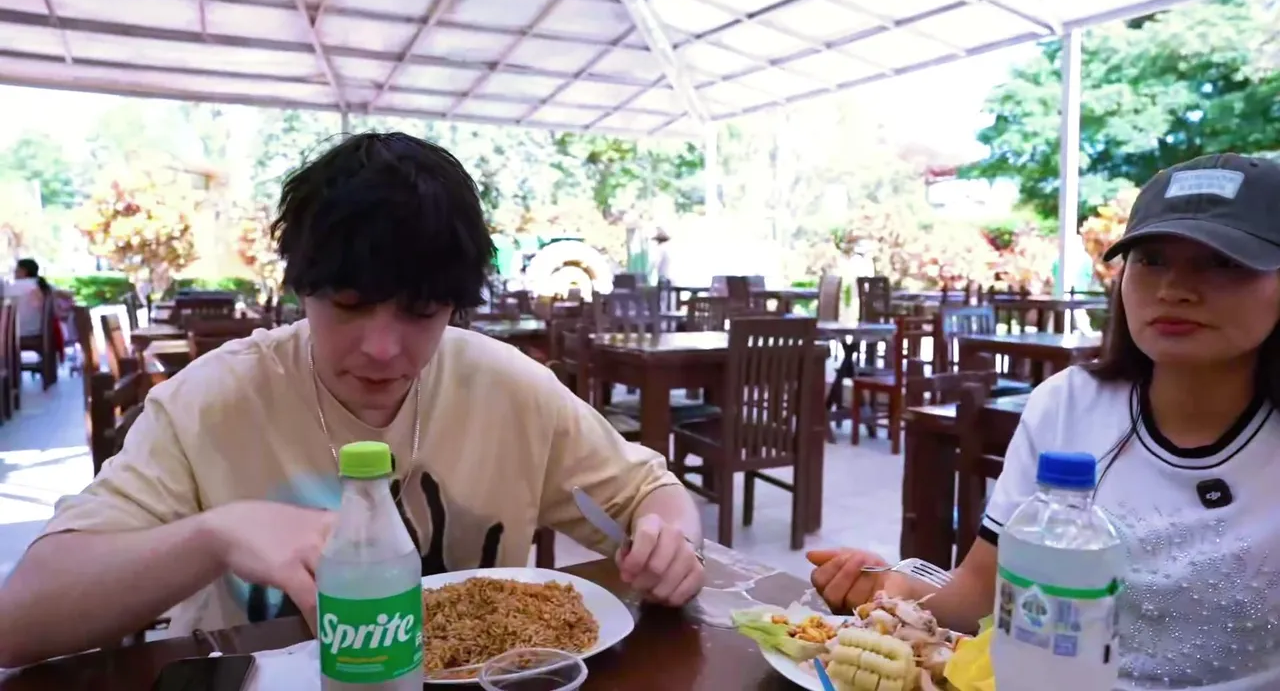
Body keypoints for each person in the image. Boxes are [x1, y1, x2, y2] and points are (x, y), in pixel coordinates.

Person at [0, 133, 705, 667]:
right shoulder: (208, 403)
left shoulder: (510, 388)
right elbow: (19, 621)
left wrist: (669, 542)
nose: (383, 349)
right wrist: (217, 535)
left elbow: (652, 492)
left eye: (421, 312)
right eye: (347, 304)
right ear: (300, 289)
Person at [808, 153, 1280, 690]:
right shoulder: (1066, 406)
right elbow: (980, 594)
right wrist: (894, 592)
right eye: (1150, 259)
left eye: (1222, 262)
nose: (1174, 288)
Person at [5, 258, 50, 338]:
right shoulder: (44, 285)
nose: (14, 272)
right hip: (39, 331)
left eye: (16, 270)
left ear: (23, 271)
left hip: (20, 333)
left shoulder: (15, 286)